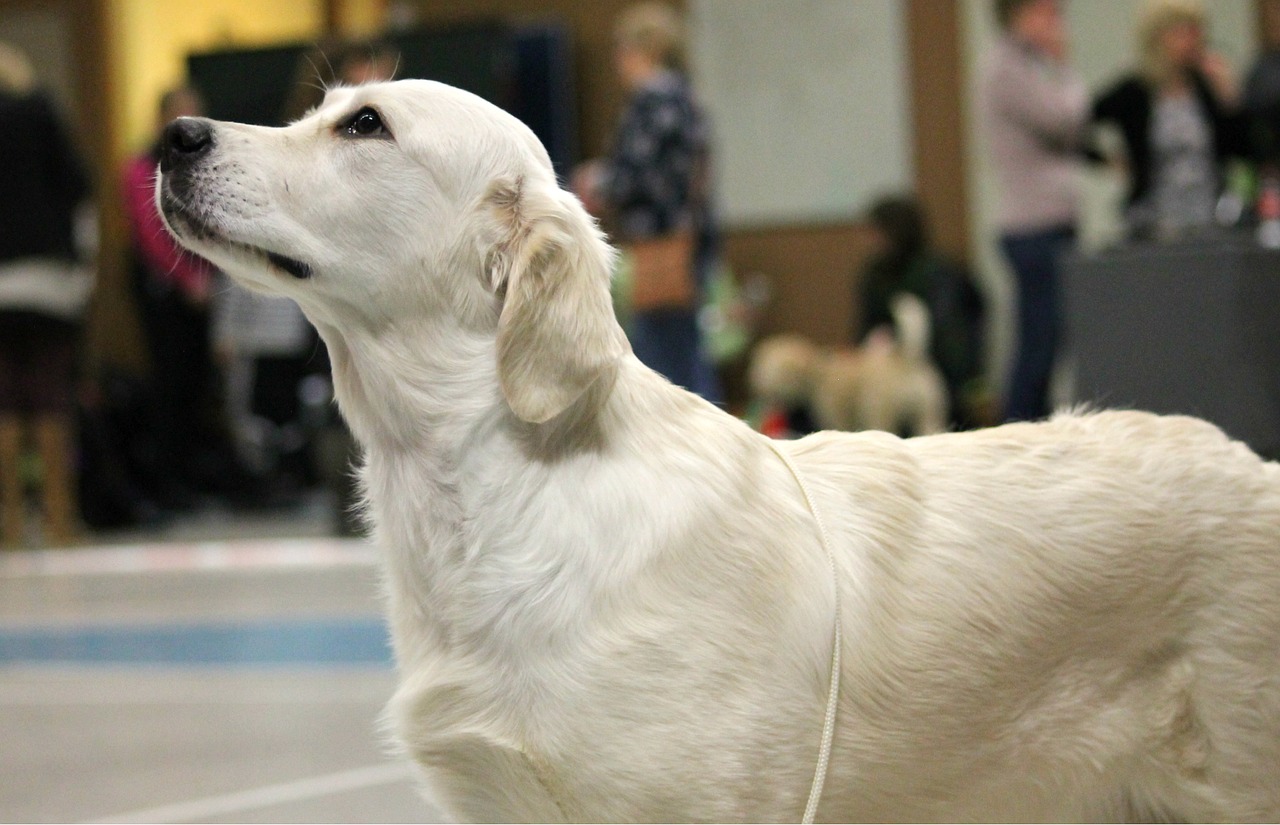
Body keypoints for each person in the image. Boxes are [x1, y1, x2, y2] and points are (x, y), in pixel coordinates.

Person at [574, 2, 721, 402]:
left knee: (662, 364)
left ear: (640, 50)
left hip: (661, 248)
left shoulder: (652, 101)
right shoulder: (686, 98)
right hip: (689, 242)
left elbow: (641, 175)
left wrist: (597, 181)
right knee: (687, 354)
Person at [0, 42, 93, 547]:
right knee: (51, 397)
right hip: (46, 277)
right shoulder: (41, 113)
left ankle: (11, 523)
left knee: (5, 404)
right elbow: (77, 185)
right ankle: (60, 519)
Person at [980, 0, 1088, 423]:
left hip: (1049, 223)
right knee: (1039, 344)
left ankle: (1030, 432)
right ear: (1016, 14)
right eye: (1044, 12)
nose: (1055, 22)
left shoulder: (1026, 65)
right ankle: (1019, 436)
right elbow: (1063, 118)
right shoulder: (1006, 67)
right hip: (1032, 227)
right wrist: (1065, 67)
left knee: (1048, 340)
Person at [122, 86, 227, 505]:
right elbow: (151, 233)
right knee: (170, 384)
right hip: (164, 291)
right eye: (181, 112)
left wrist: (212, 275)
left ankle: (198, 477)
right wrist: (187, 279)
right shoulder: (139, 167)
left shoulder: (209, 161)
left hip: (202, 287)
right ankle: (168, 483)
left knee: (201, 385)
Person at [1091, 0, 1248, 239]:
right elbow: (1078, 123)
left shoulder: (1206, 88)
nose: (1194, 40)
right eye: (1182, 31)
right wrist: (1108, 160)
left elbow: (1242, 150)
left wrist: (1231, 102)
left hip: (1209, 218)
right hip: (1152, 223)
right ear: (1157, 37)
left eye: (1197, 30)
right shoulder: (1134, 91)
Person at [858, 196, 989, 430]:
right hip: (888, 366)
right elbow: (865, 327)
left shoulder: (938, 273)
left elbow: (953, 337)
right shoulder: (873, 274)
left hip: (937, 371)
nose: (870, 241)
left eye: (875, 232)